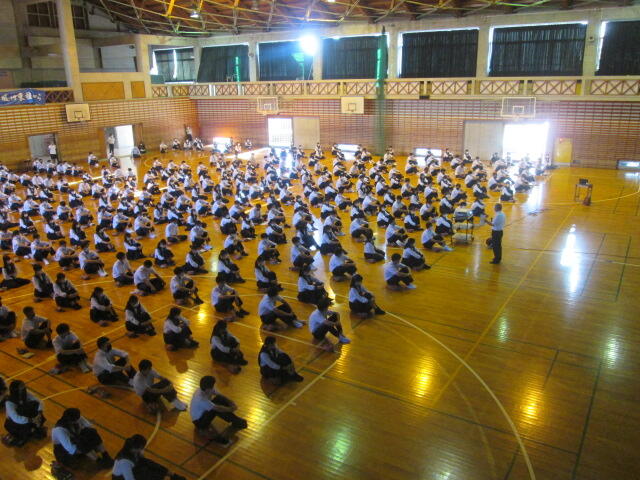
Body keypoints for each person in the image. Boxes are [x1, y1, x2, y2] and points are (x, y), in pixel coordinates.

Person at [189, 375, 248, 444]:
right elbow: (218, 408)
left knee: (219, 399)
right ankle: (236, 421)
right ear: (208, 388)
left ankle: (235, 420)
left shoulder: (205, 389)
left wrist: (231, 402)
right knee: (217, 409)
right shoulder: (201, 399)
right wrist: (231, 409)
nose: (214, 387)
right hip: (199, 422)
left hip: (205, 412)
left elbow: (220, 396)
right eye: (212, 386)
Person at [111, 434, 186, 480]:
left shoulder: (132, 449)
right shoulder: (124, 462)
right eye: (142, 448)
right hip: (122, 477)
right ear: (137, 448)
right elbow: (129, 478)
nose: (143, 449)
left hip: (135, 468)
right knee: (151, 476)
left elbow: (143, 460)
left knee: (156, 466)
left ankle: (173, 476)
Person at [3, 380, 46, 446]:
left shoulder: (26, 394)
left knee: (34, 404)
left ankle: (32, 429)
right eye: (21, 388)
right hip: (16, 423)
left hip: (27, 417)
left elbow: (39, 401)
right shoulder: (9, 402)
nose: (23, 389)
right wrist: (31, 420)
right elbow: (16, 418)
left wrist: (39, 414)